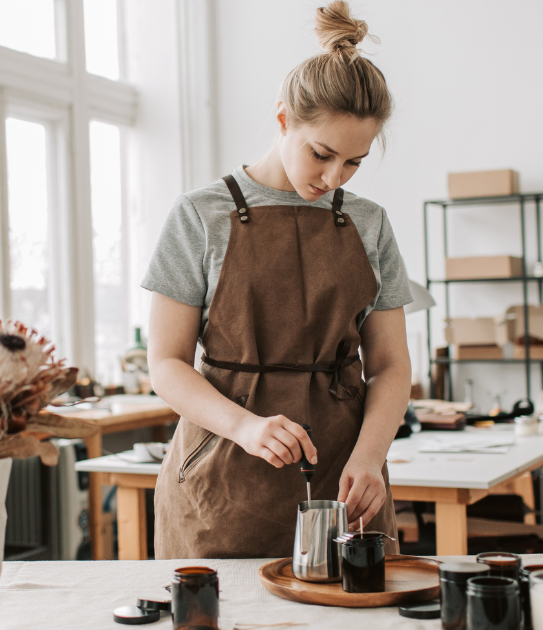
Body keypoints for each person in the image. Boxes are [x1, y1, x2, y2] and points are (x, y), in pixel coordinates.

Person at [143, 1, 419, 559]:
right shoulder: (199, 215)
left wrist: (368, 458)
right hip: (222, 476)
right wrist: (245, 427)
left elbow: (391, 365)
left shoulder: (370, 223)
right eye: (321, 154)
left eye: (354, 163)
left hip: (345, 472)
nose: (332, 177)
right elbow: (165, 365)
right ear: (282, 120)